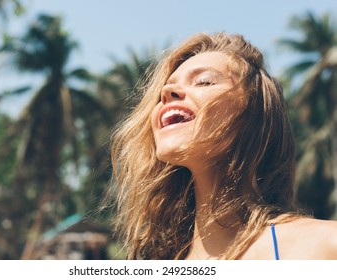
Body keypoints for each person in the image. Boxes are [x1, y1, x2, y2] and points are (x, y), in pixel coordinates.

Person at [109, 32, 337, 260]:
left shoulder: (322, 246)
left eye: (204, 81)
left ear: (254, 112)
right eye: (165, 90)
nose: (167, 94)